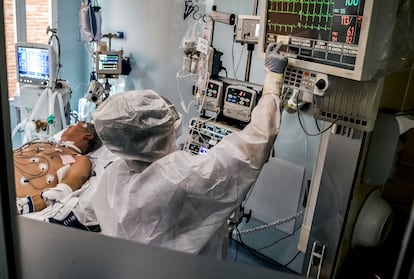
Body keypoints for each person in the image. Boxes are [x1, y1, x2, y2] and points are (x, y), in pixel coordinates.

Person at [91, 42, 288, 259]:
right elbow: (254, 144)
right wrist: (273, 81)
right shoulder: (184, 176)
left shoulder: (111, 175)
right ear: (164, 130)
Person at [14, 121, 102, 215]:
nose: (69, 126)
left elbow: (61, 192)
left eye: (76, 125)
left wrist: (23, 206)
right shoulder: (42, 143)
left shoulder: (80, 160)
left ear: (88, 135)